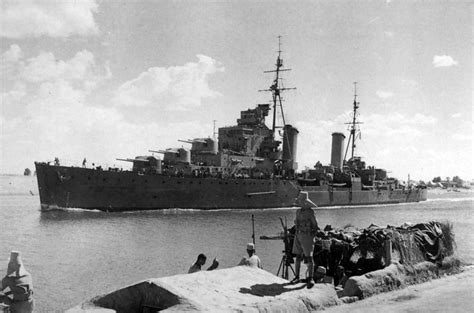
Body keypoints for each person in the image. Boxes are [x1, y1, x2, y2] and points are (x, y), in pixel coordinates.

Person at [291, 191, 319, 287]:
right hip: (298, 235)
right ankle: (297, 276)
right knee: (298, 256)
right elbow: (296, 223)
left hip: (307, 236)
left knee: (309, 257)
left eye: (301, 201)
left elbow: (315, 226)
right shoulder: (298, 212)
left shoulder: (310, 212)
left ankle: (310, 278)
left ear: (305, 202)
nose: (299, 203)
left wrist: (311, 237)